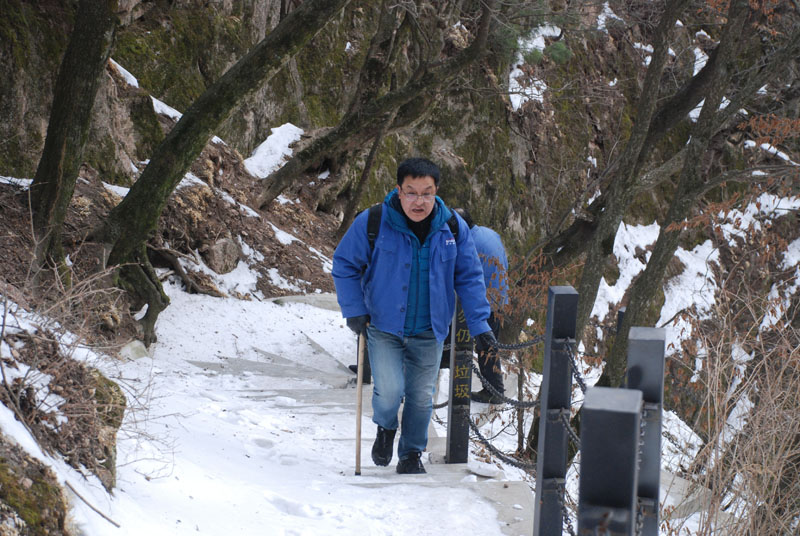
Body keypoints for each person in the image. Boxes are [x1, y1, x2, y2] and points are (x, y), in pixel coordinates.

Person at [332, 157, 496, 474]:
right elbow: (344, 264)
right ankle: (386, 427)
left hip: (429, 329)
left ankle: (410, 454)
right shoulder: (374, 221)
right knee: (389, 391)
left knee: (421, 397)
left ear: (436, 192)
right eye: (411, 192)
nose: (418, 201)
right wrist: (354, 310)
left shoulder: (452, 227)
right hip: (384, 325)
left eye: (426, 193)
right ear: (399, 190)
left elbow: (470, 276)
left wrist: (480, 324)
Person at [453, 208, 509, 405]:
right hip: (500, 294)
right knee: (489, 343)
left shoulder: (468, 243)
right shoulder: (489, 233)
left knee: (486, 346)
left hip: (485, 301)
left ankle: (494, 391)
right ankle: (493, 388)